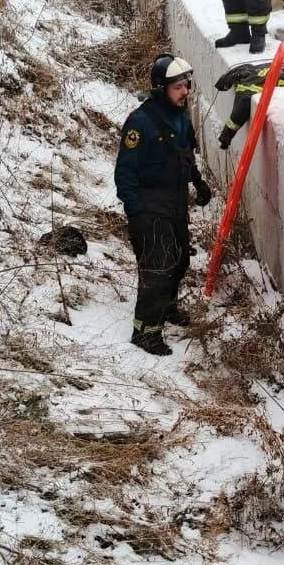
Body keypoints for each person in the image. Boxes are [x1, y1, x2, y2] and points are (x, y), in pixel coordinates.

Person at [114, 55, 212, 356]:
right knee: (158, 267)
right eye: (178, 87)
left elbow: (185, 152)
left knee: (180, 258)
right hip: (150, 204)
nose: (185, 92)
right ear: (161, 88)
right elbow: (125, 172)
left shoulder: (180, 116)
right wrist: (136, 210)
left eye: (186, 85)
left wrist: (198, 182)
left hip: (176, 201)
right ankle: (145, 332)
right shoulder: (140, 123)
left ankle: (168, 306)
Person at [214, 58, 284, 149]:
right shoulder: (247, 67)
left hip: (279, 77)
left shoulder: (244, 88)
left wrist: (225, 138)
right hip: (281, 71)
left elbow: (237, 115)